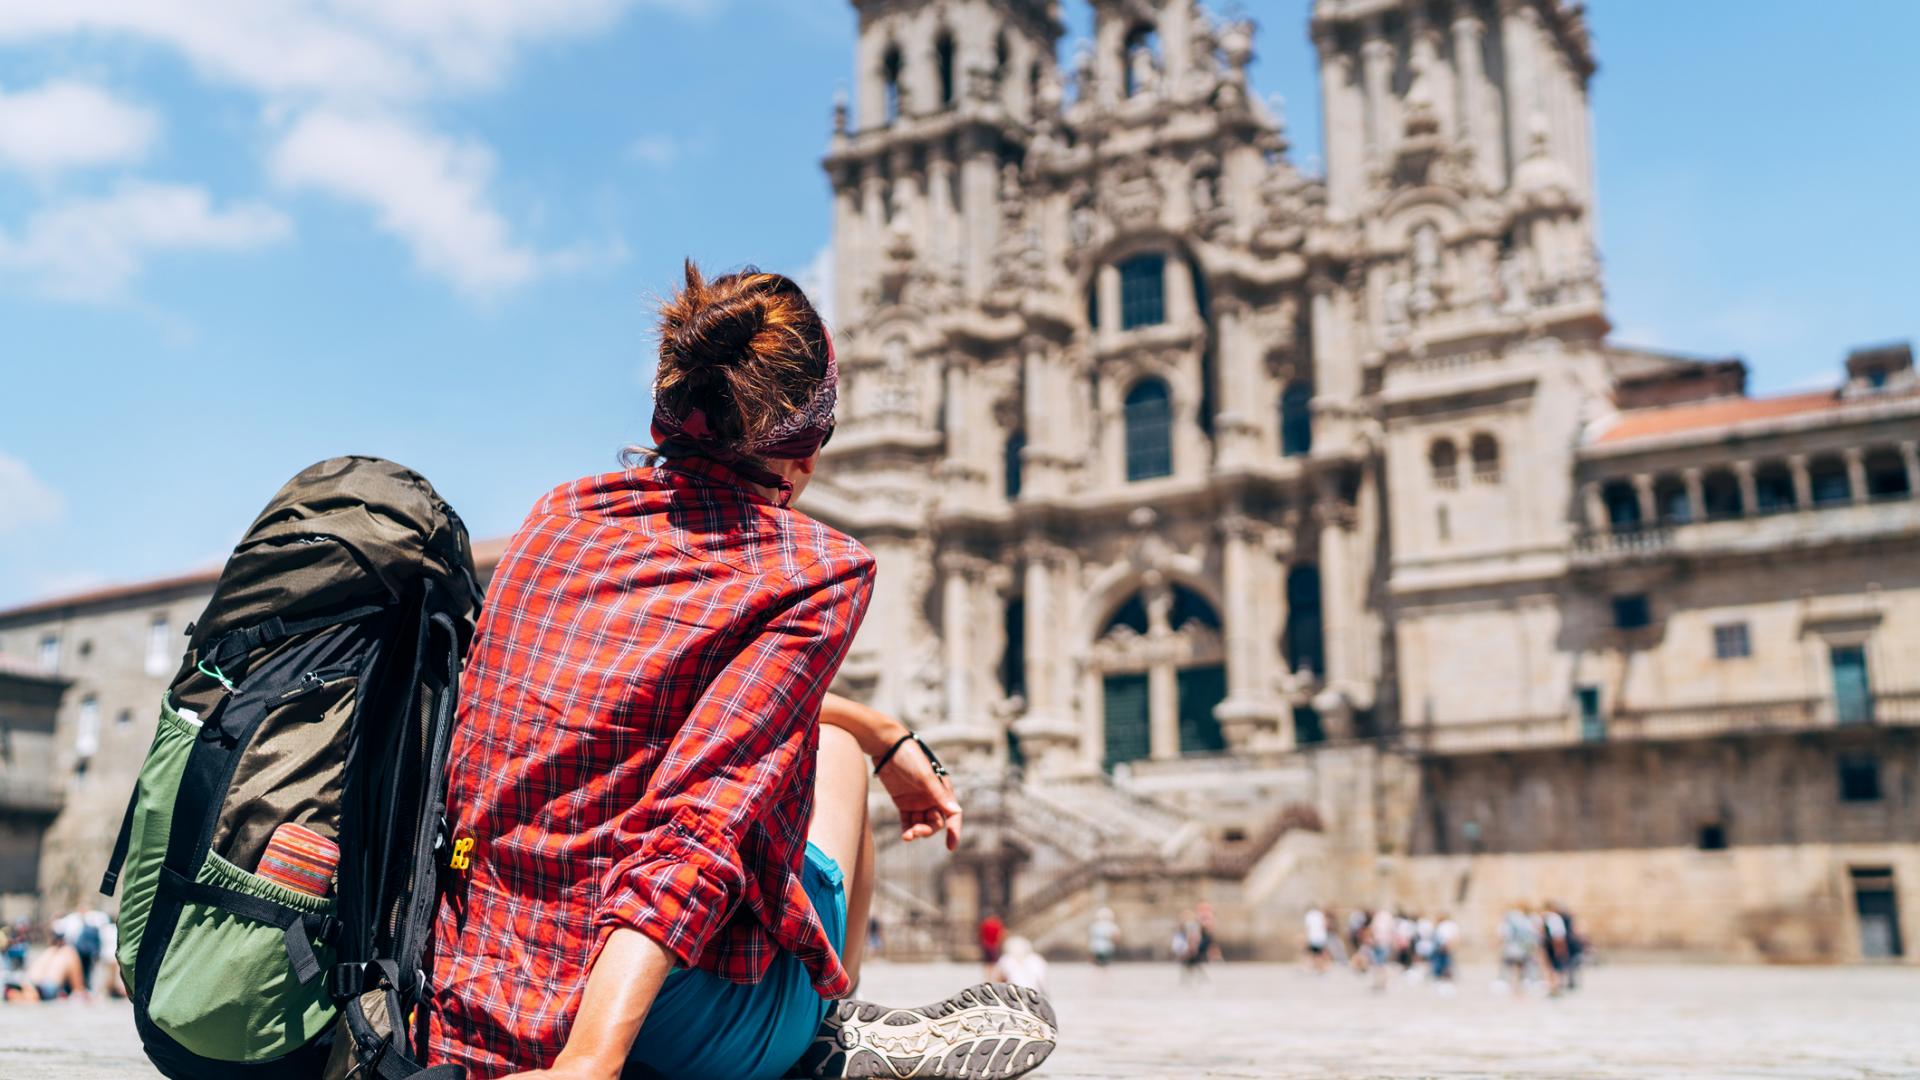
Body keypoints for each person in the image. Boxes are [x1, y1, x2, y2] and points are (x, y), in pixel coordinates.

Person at [425, 262, 1057, 1080]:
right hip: (657, 1021)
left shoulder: (560, 513)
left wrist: (881, 723)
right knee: (831, 756)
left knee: (831, 736)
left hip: (475, 967)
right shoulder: (818, 567)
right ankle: (823, 1025)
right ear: (802, 449)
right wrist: (589, 1060)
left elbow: (640, 718)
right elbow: (698, 824)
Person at [25, 930, 87, 1002]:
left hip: (28, 981)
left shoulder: (48, 951)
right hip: (47, 987)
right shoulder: (69, 952)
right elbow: (78, 988)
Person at [1303, 904, 1330, 974]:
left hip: (1312, 937)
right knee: (1320, 953)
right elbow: (1325, 925)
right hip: (1321, 937)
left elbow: (1307, 927)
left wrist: (1306, 937)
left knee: (1311, 953)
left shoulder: (1308, 915)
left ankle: (1309, 967)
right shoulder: (1321, 914)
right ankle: (1322, 968)